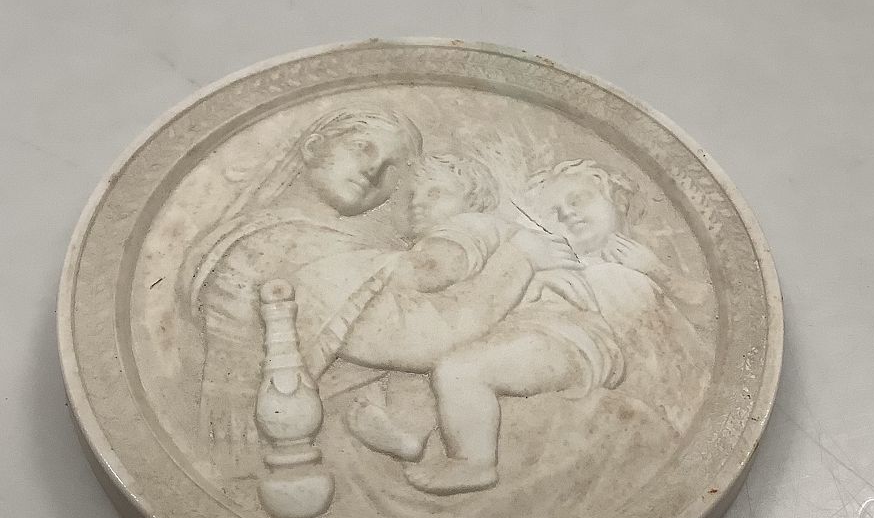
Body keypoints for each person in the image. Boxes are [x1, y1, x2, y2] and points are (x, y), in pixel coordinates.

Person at [352, 157, 712, 495]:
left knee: (461, 369)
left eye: (578, 199)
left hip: (568, 339)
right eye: (553, 212)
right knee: (435, 362)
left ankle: (473, 462)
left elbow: (705, 308)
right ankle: (408, 434)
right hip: (526, 331)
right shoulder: (550, 256)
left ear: (613, 198)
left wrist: (657, 270)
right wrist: (534, 279)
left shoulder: (618, 271)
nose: (567, 212)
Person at [178, 103, 423, 468]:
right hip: (294, 453)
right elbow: (422, 340)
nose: (373, 170)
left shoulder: (354, 250)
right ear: (313, 147)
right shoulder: (277, 243)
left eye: (392, 168)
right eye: (363, 147)